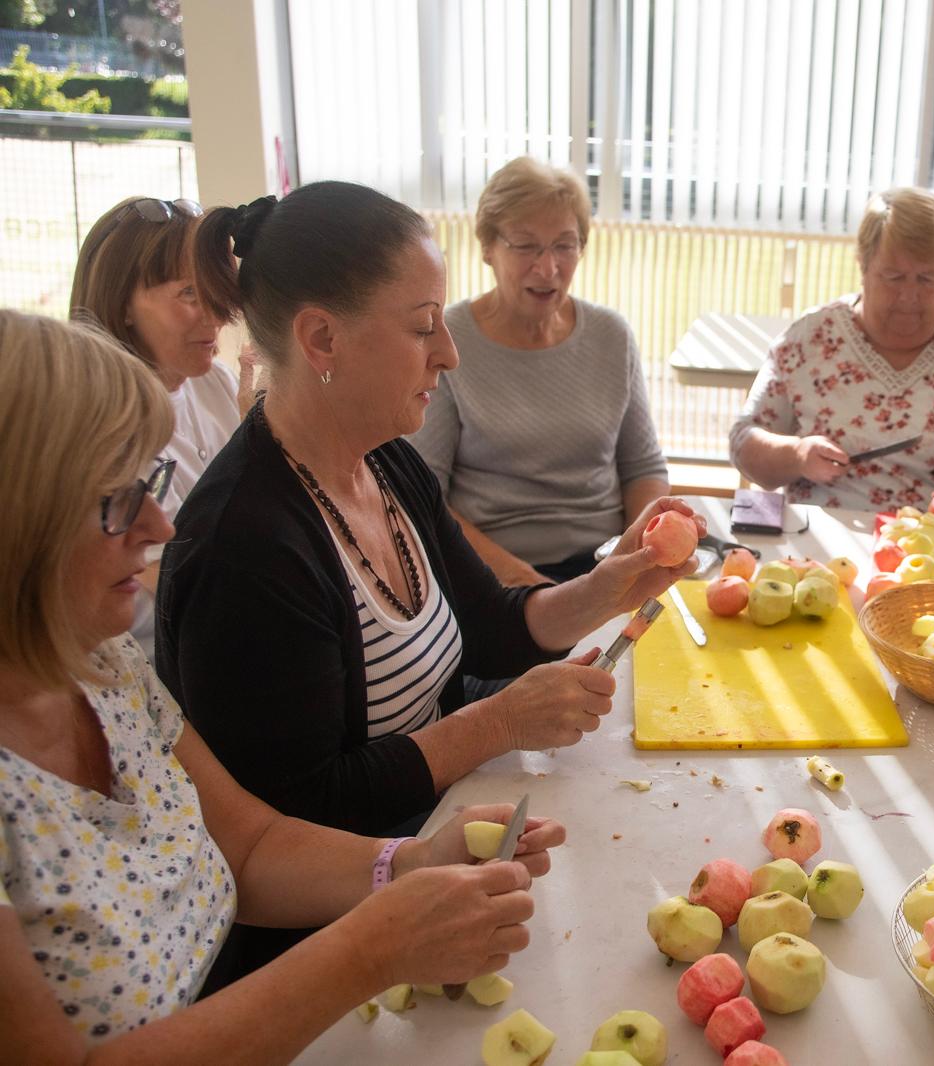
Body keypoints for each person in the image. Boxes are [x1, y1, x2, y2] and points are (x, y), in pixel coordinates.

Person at [157, 182, 701, 976]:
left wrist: (611, 587)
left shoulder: (387, 462)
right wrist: (495, 723)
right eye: (422, 330)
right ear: (321, 340)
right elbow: (300, 813)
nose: (447, 354)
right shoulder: (245, 547)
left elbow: (487, 624)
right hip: (341, 938)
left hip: (438, 843)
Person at [0, 309, 560, 1060]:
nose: (160, 527)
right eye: (112, 499)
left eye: (149, 481)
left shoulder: (102, 668)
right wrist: (369, 949)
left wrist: (408, 864)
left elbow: (252, 846)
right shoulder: (247, 541)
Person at [409, 158, 670, 585]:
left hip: (607, 561)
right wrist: (525, 583)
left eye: (564, 246)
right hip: (492, 572)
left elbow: (643, 468)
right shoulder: (447, 338)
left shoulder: (611, 334)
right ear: (488, 247)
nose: (548, 268)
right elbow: (422, 494)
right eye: (526, 246)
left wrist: (632, 557)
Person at [728, 187, 934, 511]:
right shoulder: (810, 340)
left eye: (928, 278)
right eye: (893, 276)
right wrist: (798, 455)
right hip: (820, 543)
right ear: (863, 264)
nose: (909, 296)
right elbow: (744, 442)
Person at [69, 196, 244, 659]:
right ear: (122, 302)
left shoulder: (215, 383)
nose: (216, 314)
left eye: (216, 289)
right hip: (157, 665)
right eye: (188, 293)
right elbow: (176, 587)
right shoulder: (96, 422)